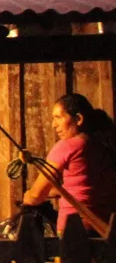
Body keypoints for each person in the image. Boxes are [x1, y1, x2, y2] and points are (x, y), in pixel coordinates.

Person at [22, 93, 116, 233]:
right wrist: (53, 192)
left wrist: (28, 195)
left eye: (58, 118)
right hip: (106, 230)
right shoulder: (103, 143)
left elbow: (36, 196)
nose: (54, 125)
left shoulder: (67, 147)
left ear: (78, 119)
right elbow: (86, 186)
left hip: (75, 233)